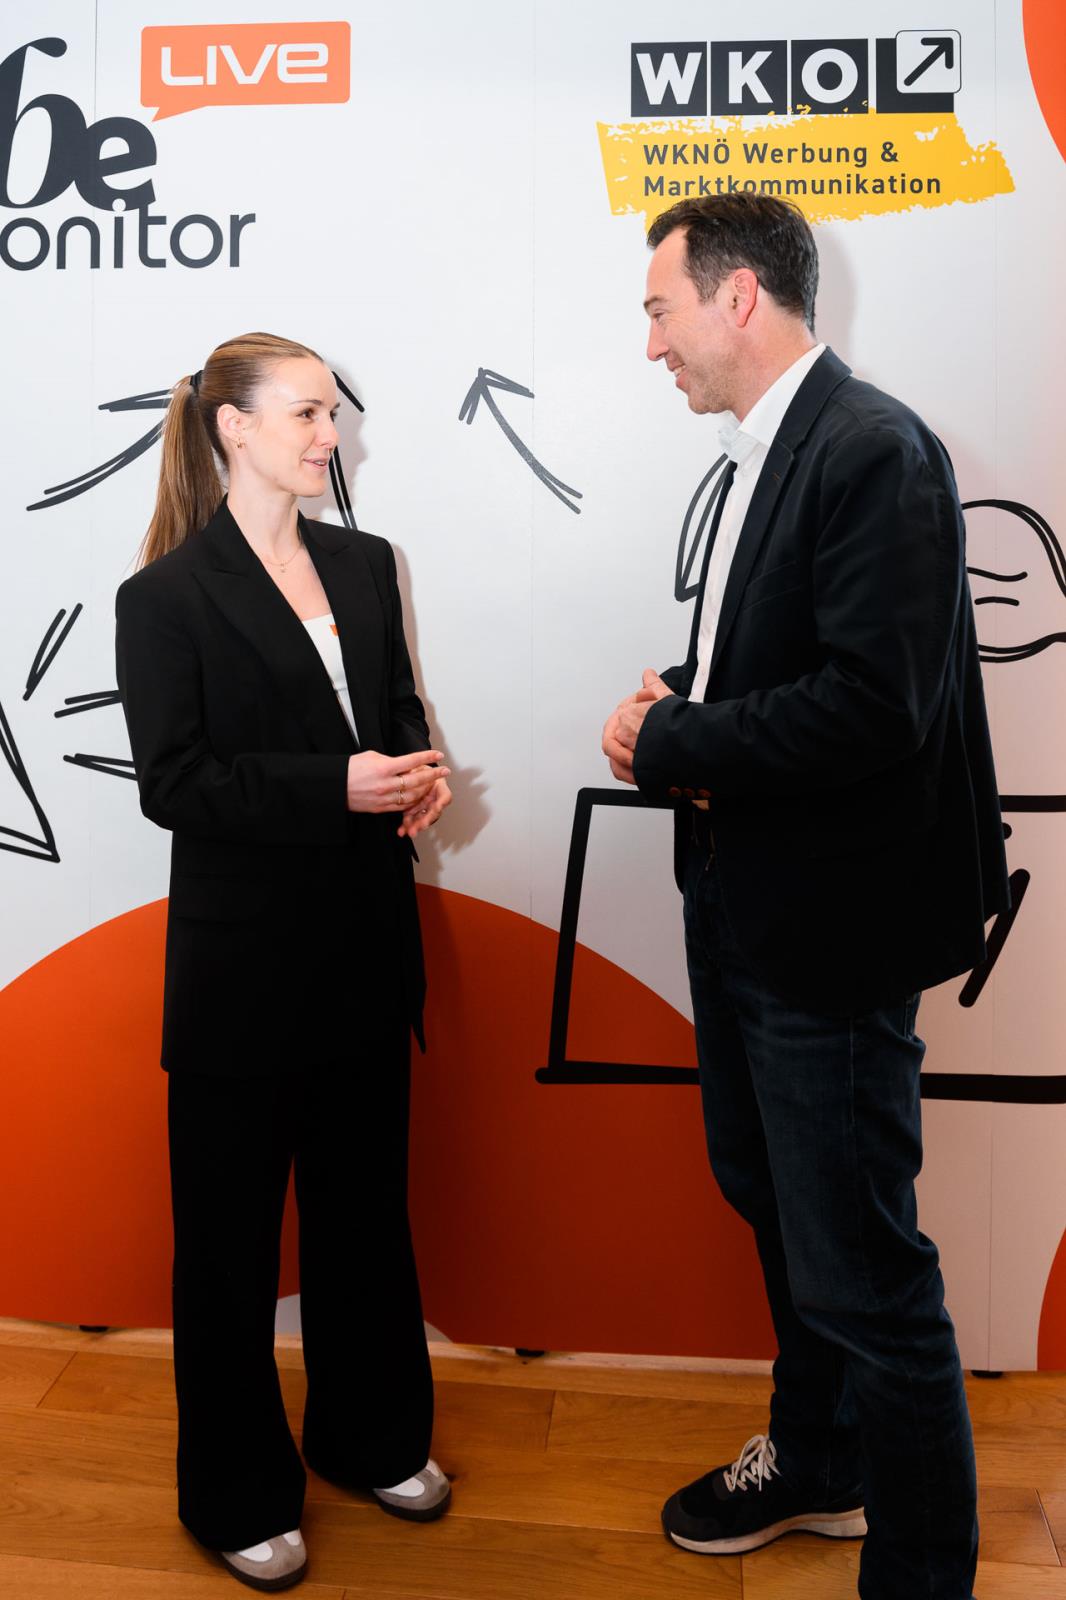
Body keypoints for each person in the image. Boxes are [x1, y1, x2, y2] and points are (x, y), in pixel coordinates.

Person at [602, 195, 1008, 1600]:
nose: (649, 344)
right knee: (777, 1206)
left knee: (863, 1272)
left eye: (658, 309)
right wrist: (692, 694)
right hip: (750, 906)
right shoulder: (778, 447)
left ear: (737, 300)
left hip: (827, 933)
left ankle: (921, 1573)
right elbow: (799, 658)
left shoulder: (871, 447)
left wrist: (676, 738)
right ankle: (821, 1459)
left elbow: (873, 707)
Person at [116, 332, 453, 1592]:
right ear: (234, 428)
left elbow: (396, 716)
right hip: (241, 980)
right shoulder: (163, 599)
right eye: (307, 413)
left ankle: (373, 1438)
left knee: (365, 1217)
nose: (331, 435)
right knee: (229, 1248)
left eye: (332, 414)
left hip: (366, 953)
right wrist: (338, 787)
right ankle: (235, 1495)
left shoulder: (367, 563)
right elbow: (175, 783)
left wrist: (413, 778)